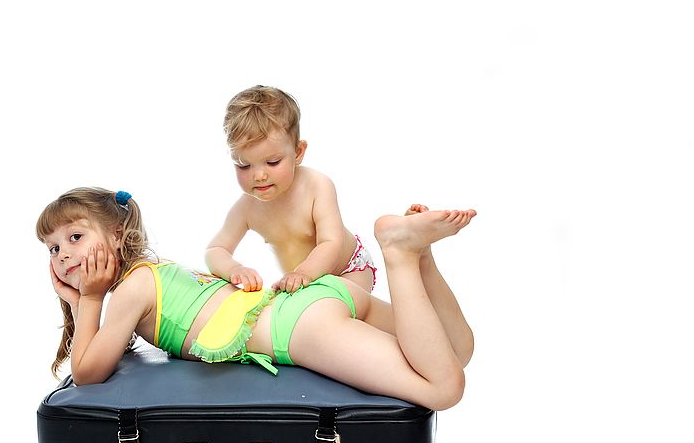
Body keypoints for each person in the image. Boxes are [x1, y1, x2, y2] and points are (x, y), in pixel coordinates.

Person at [37, 187, 476, 412]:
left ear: (117, 235)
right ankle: (420, 259)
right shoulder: (159, 270)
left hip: (301, 329)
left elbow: (88, 374)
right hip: (311, 297)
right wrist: (81, 300)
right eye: (54, 248)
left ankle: (398, 253)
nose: (64, 255)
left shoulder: (130, 289)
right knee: (457, 352)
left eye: (76, 237)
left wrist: (89, 299)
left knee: (443, 388)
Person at [205, 85, 378, 294]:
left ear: (298, 152)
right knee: (298, 319)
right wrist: (234, 269)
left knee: (336, 309)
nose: (259, 175)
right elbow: (215, 250)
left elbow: (330, 242)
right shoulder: (246, 208)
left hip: (348, 269)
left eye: (273, 162)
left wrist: (303, 273)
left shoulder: (317, 186)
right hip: (302, 284)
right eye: (244, 165)